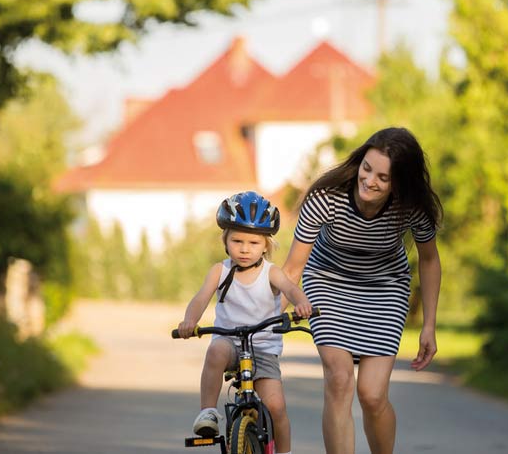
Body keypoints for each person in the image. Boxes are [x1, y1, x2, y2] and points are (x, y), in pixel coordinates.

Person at [282, 127, 443, 454]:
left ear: (401, 182)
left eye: (383, 177)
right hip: (327, 281)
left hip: (385, 289)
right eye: (366, 168)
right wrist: (262, 319)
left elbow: (429, 261)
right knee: (339, 380)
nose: (369, 180)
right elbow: (292, 269)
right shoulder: (326, 198)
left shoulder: (411, 206)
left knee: (372, 394)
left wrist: (429, 325)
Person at [177, 191, 313, 454]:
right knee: (215, 350)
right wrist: (189, 321)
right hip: (229, 343)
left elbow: (290, 287)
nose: (244, 248)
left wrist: (301, 303)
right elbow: (200, 298)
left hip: (262, 348)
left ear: (265, 245)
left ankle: (284, 452)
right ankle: (208, 414)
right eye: (237, 240)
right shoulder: (220, 270)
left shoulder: (270, 272)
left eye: (253, 242)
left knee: (276, 407)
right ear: (225, 241)